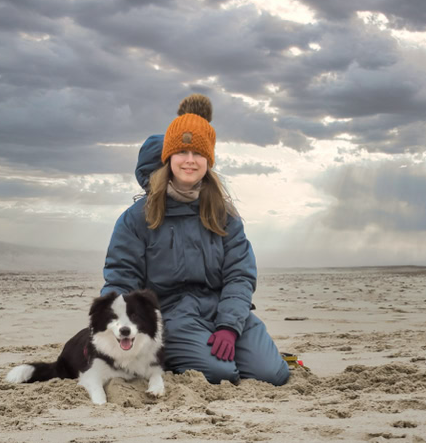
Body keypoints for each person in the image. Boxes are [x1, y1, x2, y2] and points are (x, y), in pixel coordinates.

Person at [101, 94, 289, 386]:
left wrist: (229, 325)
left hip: (221, 310)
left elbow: (240, 275)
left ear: (208, 161)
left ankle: (237, 349)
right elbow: (122, 275)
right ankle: (163, 358)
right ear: (168, 158)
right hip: (171, 316)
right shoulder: (137, 218)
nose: (190, 160)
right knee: (219, 373)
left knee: (273, 374)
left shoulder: (224, 215)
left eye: (199, 154)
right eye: (182, 153)